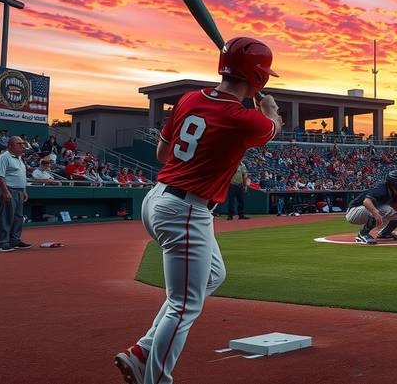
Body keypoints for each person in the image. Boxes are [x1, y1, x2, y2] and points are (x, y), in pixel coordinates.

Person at [114, 36, 281, 384]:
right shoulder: (243, 118)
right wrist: (269, 109)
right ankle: (156, 378)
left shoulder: (189, 98)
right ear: (258, 76)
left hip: (158, 199)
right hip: (185, 210)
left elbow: (162, 154)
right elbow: (272, 127)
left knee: (213, 276)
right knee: (184, 305)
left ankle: (143, 351)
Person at [344, 169, 397, 244]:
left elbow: (395, 207)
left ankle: (385, 233)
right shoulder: (382, 188)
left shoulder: (392, 191)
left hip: (364, 211)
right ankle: (362, 234)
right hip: (354, 212)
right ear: (395, 183)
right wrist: (376, 214)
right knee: (380, 210)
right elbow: (366, 202)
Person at [0, 136, 31, 252]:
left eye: (23, 144)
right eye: (19, 144)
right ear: (10, 146)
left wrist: (24, 190)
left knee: (18, 217)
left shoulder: (20, 158)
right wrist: (5, 192)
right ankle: (2, 243)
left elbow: (21, 176)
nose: (22, 146)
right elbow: (0, 176)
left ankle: (15, 240)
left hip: (19, 191)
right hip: (9, 190)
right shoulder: (4, 157)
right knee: (6, 217)